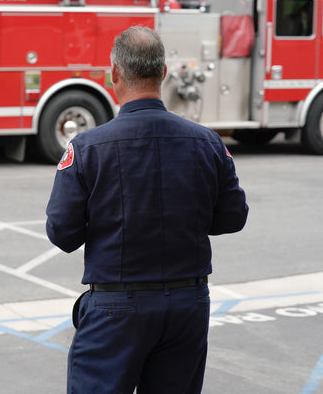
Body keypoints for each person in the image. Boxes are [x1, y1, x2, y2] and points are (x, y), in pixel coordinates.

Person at [45, 26, 248, 394]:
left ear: (115, 73)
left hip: (115, 308)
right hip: (188, 304)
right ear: (163, 74)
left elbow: (62, 232)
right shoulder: (207, 142)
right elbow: (234, 216)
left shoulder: (89, 147)